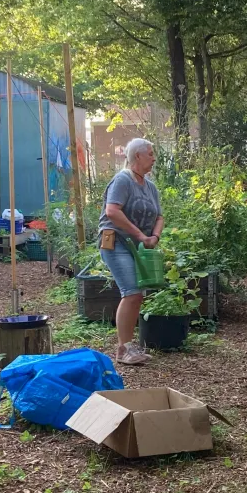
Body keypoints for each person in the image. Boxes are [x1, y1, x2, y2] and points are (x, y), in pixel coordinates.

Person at [98, 137, 163, 367]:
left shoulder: (150, 186)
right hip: (115, 242)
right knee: (132, 292)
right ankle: (123, 349)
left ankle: (129, 346)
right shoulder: (122, 180)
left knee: (137, 295)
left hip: (139, 246)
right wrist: (140, 235)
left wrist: (153, 237)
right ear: (137, 156)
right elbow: (112, 211)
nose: (154, 158)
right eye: (150, 154)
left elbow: (159, 216)